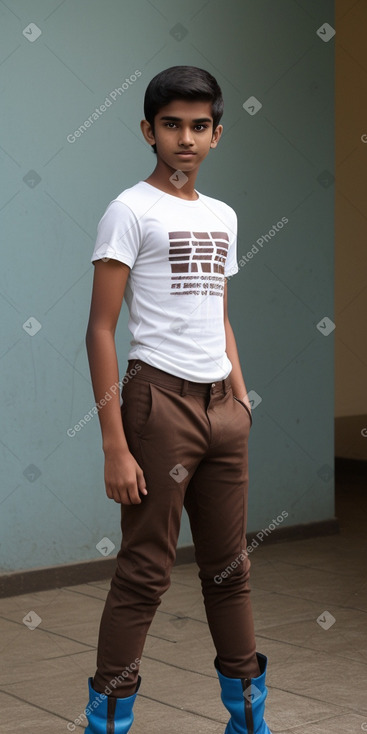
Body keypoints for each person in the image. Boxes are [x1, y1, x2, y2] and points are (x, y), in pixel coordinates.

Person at [84, 65, 272, 733]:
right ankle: (107, 724)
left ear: (216, 135)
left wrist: (240, 396)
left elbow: (217, 312)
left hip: (222, 406)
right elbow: (100, 328)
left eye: (198, 126)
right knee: (144, 571)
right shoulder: (129, 209)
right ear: (148, 131)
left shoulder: (222, 216)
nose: (184, 138)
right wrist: (113, 443)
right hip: (155, 404)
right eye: (171, 125)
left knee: (230, 572)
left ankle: (248, 721)